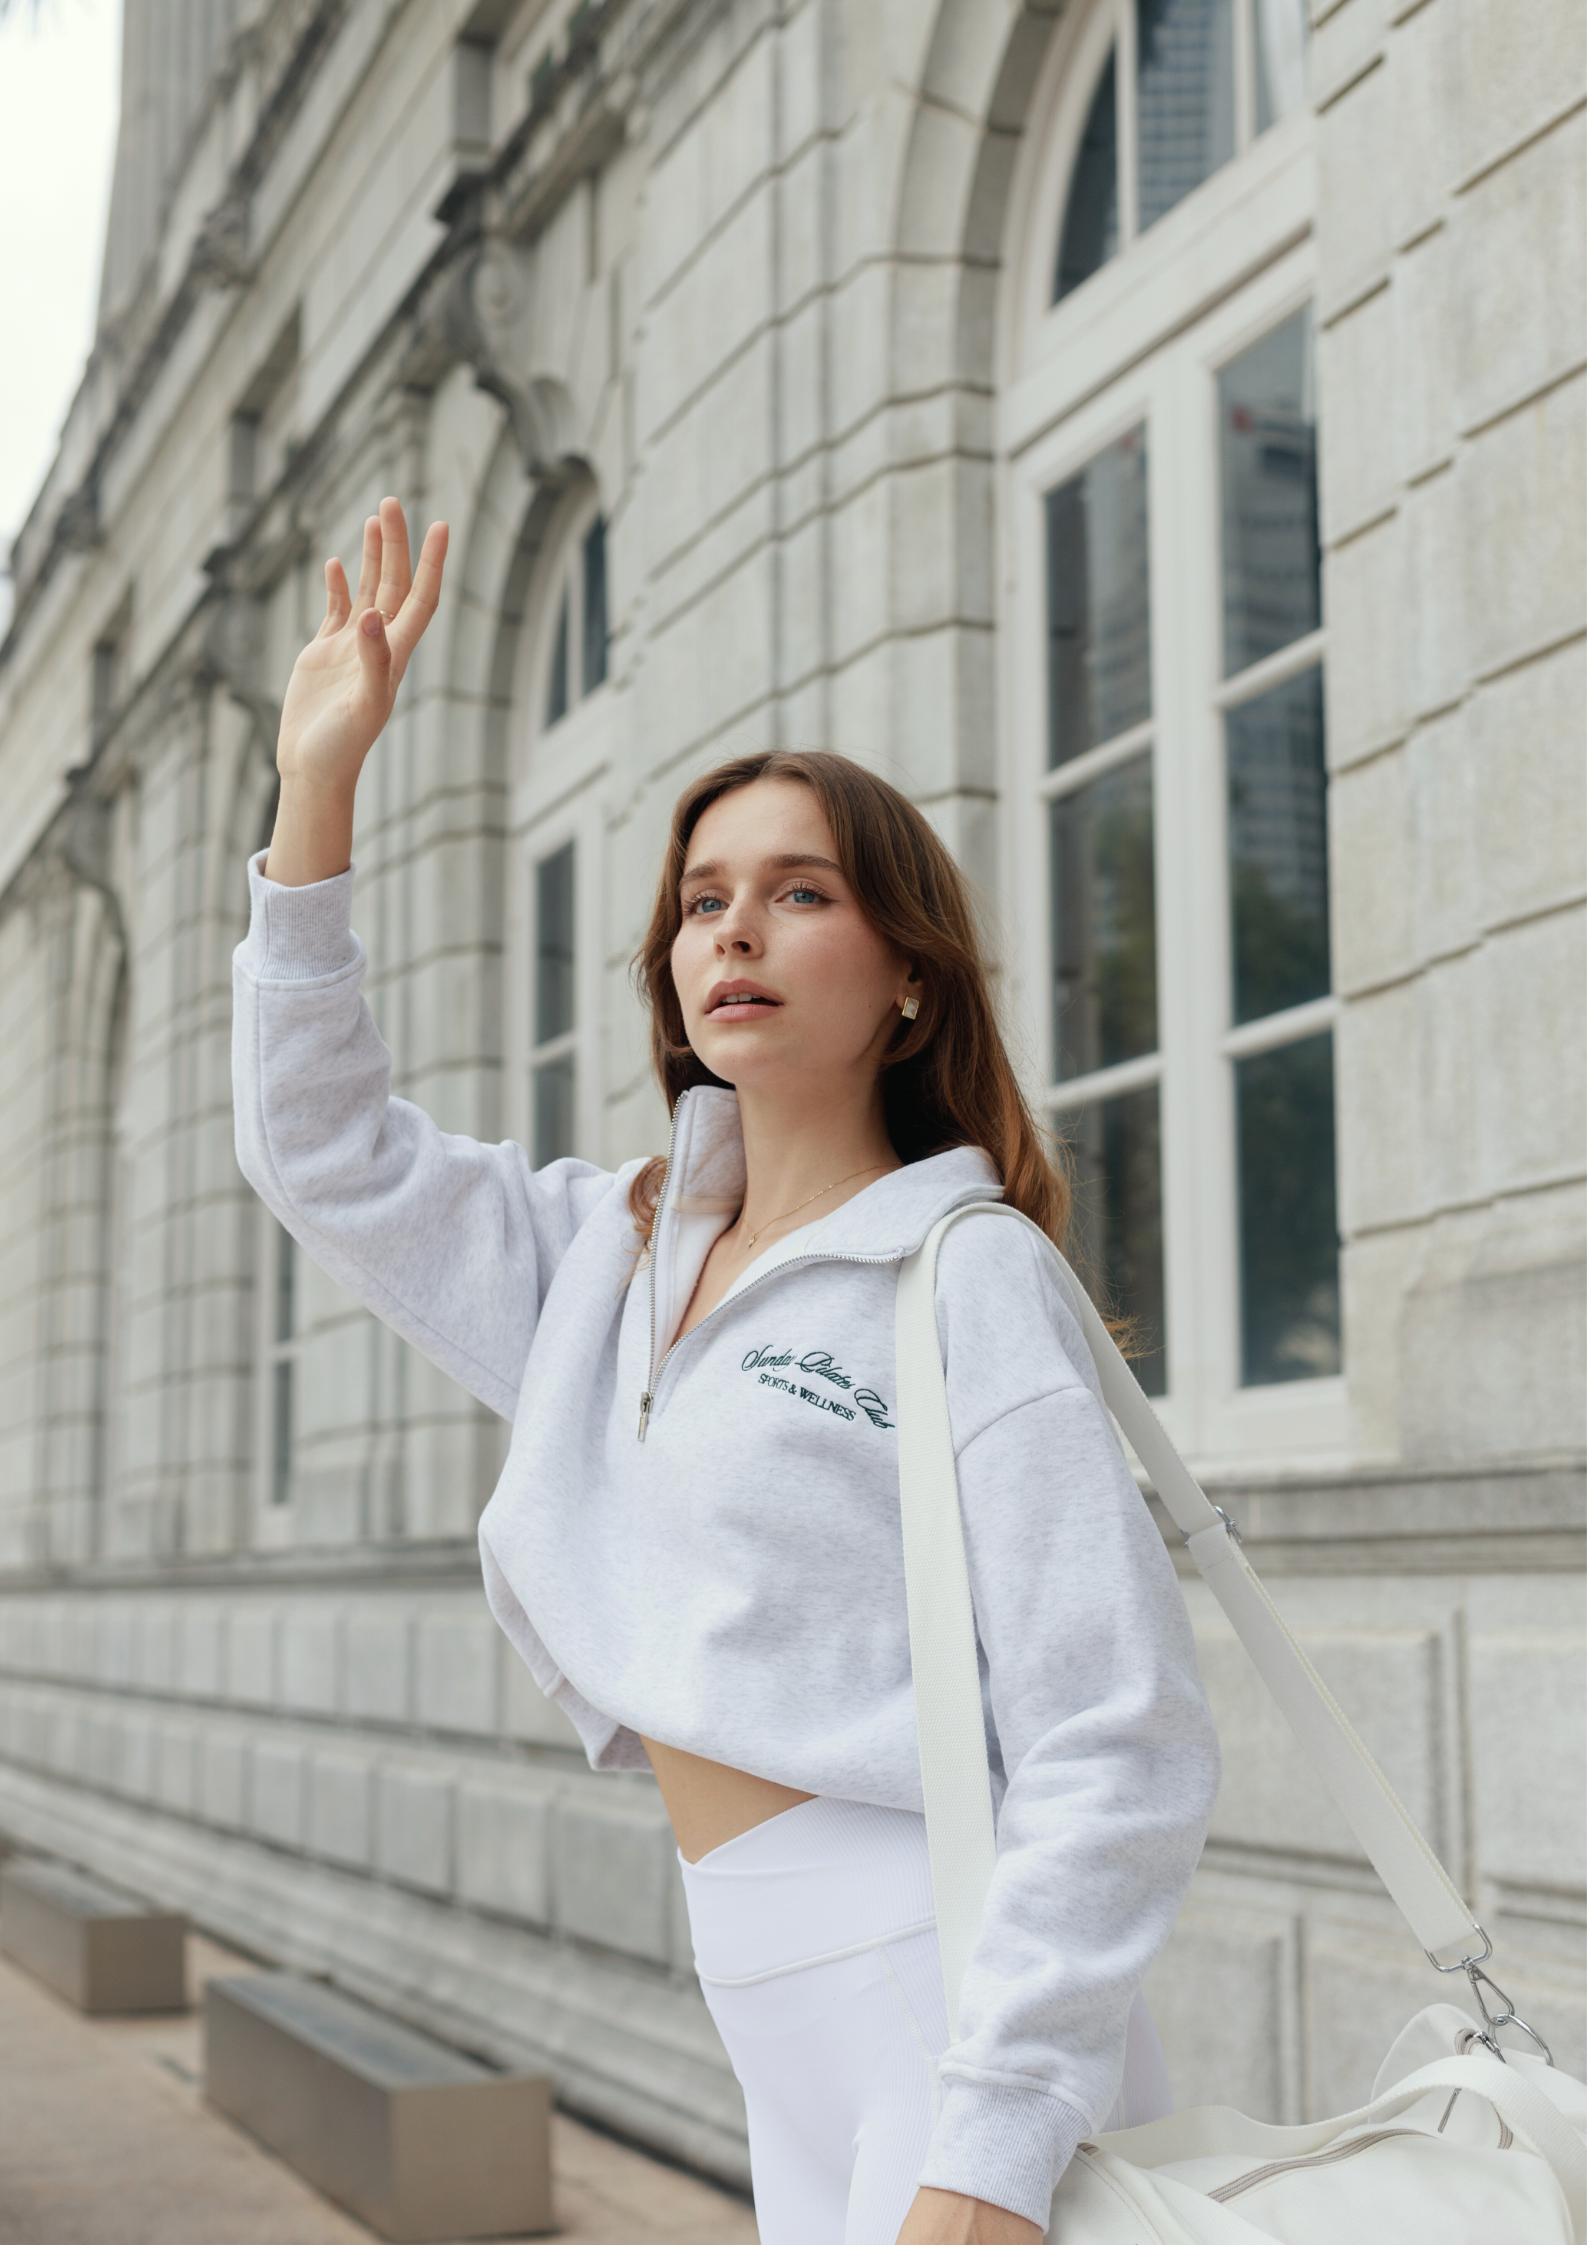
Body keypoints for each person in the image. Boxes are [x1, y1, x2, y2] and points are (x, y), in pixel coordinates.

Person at [233, 497, 1221, 2245]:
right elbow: (326, 1156)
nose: (732, 933)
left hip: (941, 1983)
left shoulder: (963, 1275)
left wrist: (986, 2155)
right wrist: (319, 791)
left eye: (798, 893)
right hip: (764, 1984)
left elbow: (1114, 1732)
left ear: (906, 976)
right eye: (702, 900)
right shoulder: (608, 1254)